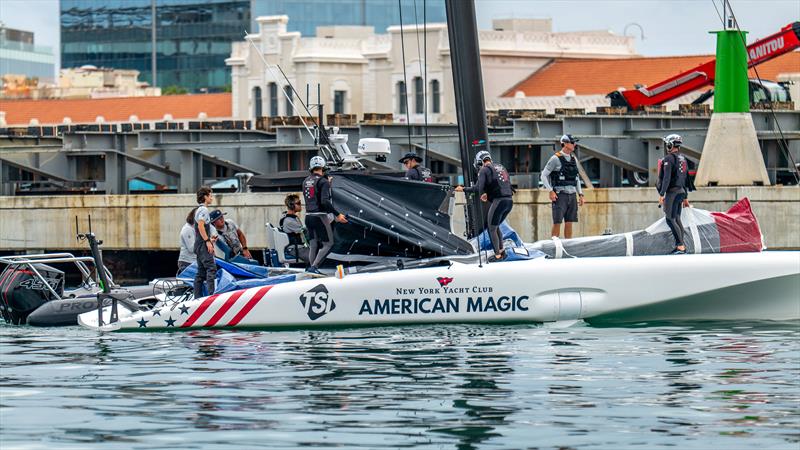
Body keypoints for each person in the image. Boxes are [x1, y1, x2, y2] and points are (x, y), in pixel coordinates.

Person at [455, 150, 514, 262]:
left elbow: (477, 188)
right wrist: (487, 193)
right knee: (496, 227)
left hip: (499, 202)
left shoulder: (484, 170)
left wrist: (463, 189)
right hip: (509, 202)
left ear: (480, 162)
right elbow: (502, 185)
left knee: (491, 229)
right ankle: (501, 252)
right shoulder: (500, 167)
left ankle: (497, 256)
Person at [302, 156, 348, 274]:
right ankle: (314, 267)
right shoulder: (323, 182)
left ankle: (310, 268)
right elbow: (324, 201)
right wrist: (337, 215)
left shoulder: (306, 181)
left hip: (308, 216)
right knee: (328, 244)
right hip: (320, 217)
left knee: (313, 244)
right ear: (323, 167)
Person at [541, 134, 585, 239]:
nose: (574, 144)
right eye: (572, 142)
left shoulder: (574, 159)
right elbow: (543, 175)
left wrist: (581, 194)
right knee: (557, 222)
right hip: (560, 196)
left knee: (569, 223)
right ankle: (554, 246)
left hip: (572, 195)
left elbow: (577, 178)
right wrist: (550, 191)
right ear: (565, 144)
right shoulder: (555, 159)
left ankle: (568, 246)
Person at [657, 134, 691, 255]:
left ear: (671, 145)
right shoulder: (683, 158)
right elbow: (686, 179)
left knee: (669, 219)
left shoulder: (668, 159)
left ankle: (680, 246)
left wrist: (662, 194)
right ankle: (681, 246)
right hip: (681, 192)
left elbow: (666, 179)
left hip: (672, 192)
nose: (666, 146)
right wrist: (686, 197)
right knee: (677, 218)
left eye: (667, 144)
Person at [193, 186, 217, 297]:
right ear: (205, 197)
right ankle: (212, 296)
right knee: (211, 268)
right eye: (210, 196)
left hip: (198, 244)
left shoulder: (198, 210)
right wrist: (207, 241)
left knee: (201, 272)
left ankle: (197, 297)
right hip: (203, 244)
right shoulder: (204, 210)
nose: (212, 198)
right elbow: (201, 225)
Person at [279, 193, 310, 264]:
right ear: (292, 205)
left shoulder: (290, 217)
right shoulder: (289, 221)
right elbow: (306, 231)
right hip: (294, 249)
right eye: (298, 203)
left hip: (297, 247)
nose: (300, 205)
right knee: (316, 256)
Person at [177, 207, 197, 276]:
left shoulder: (194, 228)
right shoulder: (188, 229)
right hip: (187, 262)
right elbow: (192, 248)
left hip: (193, 262)